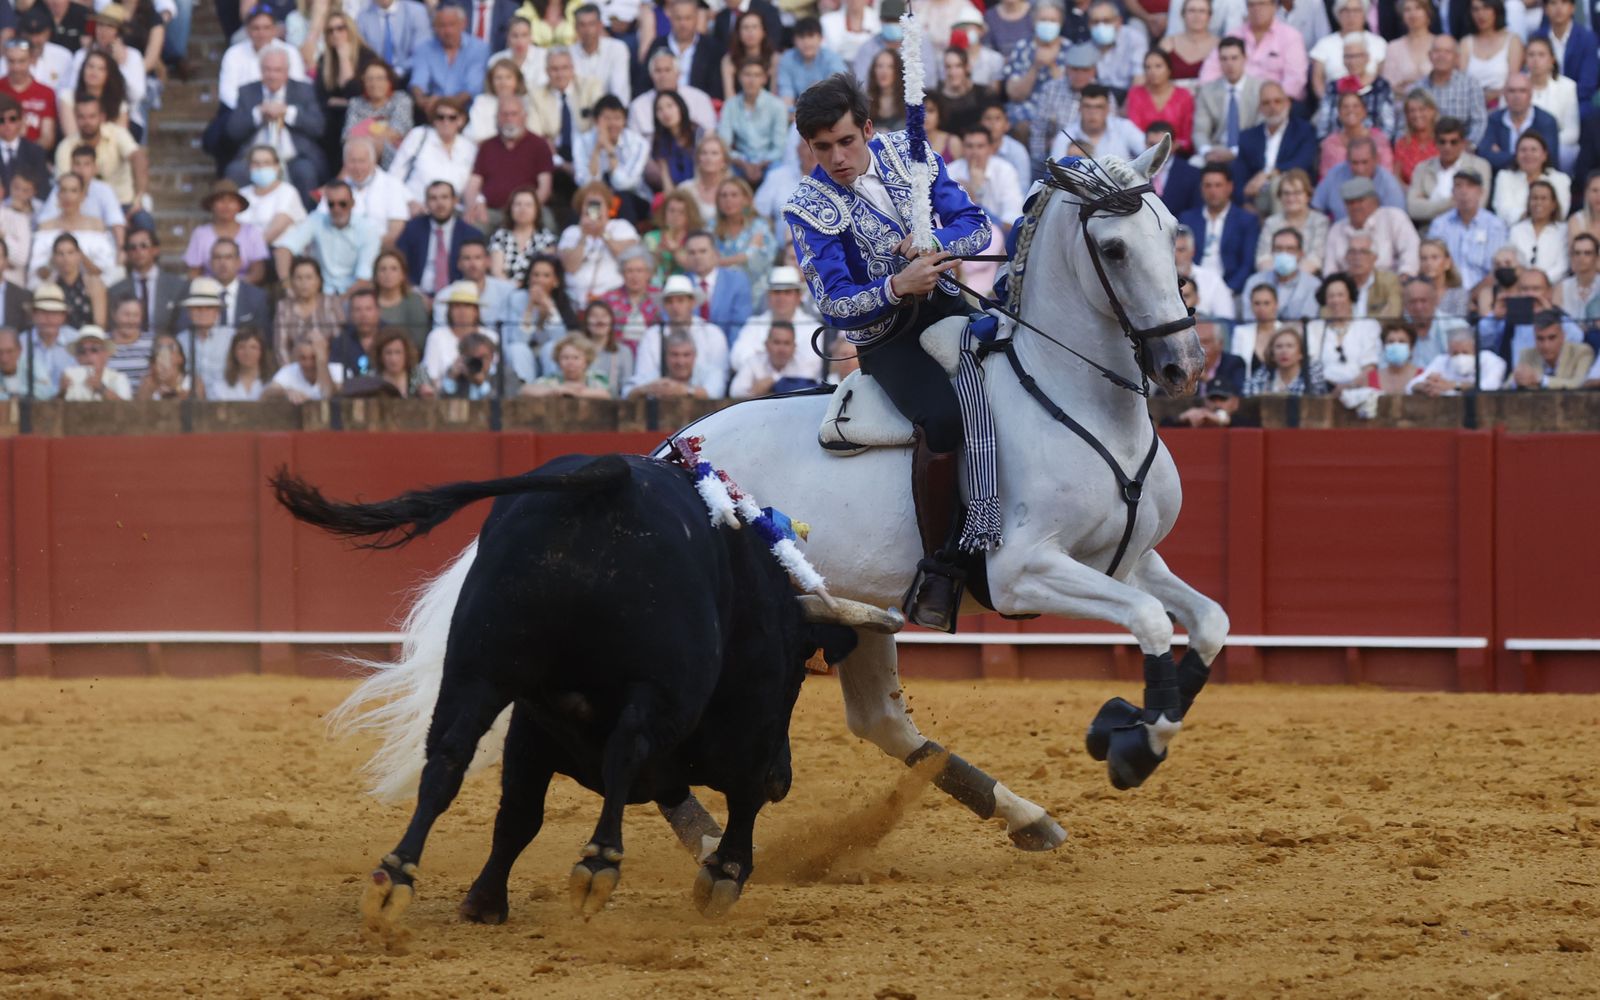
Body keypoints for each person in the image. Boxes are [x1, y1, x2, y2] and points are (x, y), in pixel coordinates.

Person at [786, 73, 991, 630]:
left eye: (846, 142)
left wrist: (937, 246)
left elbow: (976, 227)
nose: (837, 157)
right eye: (822, 147)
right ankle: (944, 564)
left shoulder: (911, 153)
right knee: (944, 418)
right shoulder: (807, 206)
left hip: (953, 308)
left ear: (869, 130)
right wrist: (898, 286)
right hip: (890, 339)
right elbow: (834, 303)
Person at [224, 49, 326, 206]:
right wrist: (258, 114)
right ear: (261, 70)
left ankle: (306, 222)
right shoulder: (247, 91)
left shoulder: (304, 90)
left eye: (277, 70)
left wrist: (287, 112)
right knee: (235, 171)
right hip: (254, 158)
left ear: (286, 71)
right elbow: (233, 131)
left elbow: (318, 127)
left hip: (293, 157)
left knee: (305, 172)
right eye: (267, 70)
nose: (272, 75)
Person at [271, 180, 383, 294]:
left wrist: (338, 304)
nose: (336, 209)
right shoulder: (316, 220)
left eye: (342, 204)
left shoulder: (368, 229)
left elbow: (363, 279)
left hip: (353, 295)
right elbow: (283, 250)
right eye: (331, 204)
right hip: (318, 293)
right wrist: (287, 287)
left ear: (352, 204)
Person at [462, 95, 555, 230]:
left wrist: (528, 209)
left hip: (527, 209)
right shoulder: (487, 146)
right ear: (497, 118)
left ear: (524, 117)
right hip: (491, 211)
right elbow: (473, 184)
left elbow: (544, 188)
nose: (509, 119)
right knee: (471, 226)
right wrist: (474, 205)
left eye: (514, 114)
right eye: (504, 114)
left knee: (547, 222)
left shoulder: (539, 145)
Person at [627, 274, 728, 398]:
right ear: (664, 305)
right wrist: (654, 387)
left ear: (691, 302)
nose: (675, 307)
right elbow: (642, 377)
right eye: (670, 302)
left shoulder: (713, 333)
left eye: (681, 300)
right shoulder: (651, 335)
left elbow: (718, 381)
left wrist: (684, 390)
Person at [305, 8, 380, 165]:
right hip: (333, 122)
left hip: (364, 120)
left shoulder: (367, 57)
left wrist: (344, 58)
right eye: (330, 30)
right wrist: (344, 102)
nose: (335, 34)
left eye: (340, 28)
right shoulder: (325, 60)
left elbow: (355, 95)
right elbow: (322, 99)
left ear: (350, 30)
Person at [1200, 0, 1308, 102]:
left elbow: (1295, 79)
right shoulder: (1234, 35)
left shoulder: (1290, 36)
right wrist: (1215, 97)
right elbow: (1211, 70)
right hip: (1237, 101)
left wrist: (1272, 100)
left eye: (1262, 4)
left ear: (1274, 7)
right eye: (1252, 5)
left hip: (1277, 102)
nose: (1256, 9)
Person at [1232, 81, 1315, 214]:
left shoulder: (1303, 130)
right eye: (1266, 103)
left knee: (1278, 183)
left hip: (1291, 192)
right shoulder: (1247, 137)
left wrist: (1269, 175)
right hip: (1257, 197)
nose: (1272, 107)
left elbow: (1302, 162)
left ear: (1287, 103)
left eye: (1277, 101)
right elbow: (1239, 176)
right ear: (1260, 108)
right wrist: (1245, 203)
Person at [395, 180, 485, 298]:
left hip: (457, 296)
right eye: (433, 198)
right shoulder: (413, 228)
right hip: (417, 295)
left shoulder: (471, 234)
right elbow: (399, 263)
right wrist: (414, 293)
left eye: (444, 197)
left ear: (455, 201)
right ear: (426, 203)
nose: (439, 203)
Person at [1179, 163, 1260, 293]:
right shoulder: (1187, 219)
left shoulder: (1246, 220)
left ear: (1229, 187)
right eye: (1208, 185)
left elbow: (1247, 264)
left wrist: (1227, 291)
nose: (1213, 191)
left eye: (1218, 185)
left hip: (1230, 288)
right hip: (1191, 288)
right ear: (1201, 188)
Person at [389, 98, 478, 212]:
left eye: (452, 118)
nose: (446, 122)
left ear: (461, 120)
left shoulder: (469, 147)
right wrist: (409, 201)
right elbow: (395, 174)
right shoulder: (419, 136)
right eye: (441, 117)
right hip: (416, 209)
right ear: (434, 120)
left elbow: (474, 183)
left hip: (453, 213)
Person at [499, 252, 577, 379]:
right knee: (517, 349)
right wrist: (529, 308)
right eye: (535, 275)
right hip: (527, 354)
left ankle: (552, 388)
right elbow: (518, 339)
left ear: (556, 281)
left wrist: (549, 307)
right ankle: (525, 391)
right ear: (529, 278)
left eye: (546, 276)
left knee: (551, 348)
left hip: (549, 356)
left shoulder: (566, 301)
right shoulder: (516, 298)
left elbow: (561, 341)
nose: (539, 280)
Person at [1324, 176, 1420, 277]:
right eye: (1350, 203)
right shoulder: (1337, 229)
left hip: (1391, 285)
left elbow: (1411, 254)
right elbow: (1330, 270)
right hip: (1350, 288)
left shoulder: (1394, 217)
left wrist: (1404, 279)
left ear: (1374, 200)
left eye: (1361, 201)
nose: (1356, 207)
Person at [1427, 170, 1505, 289]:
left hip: (1482, 292)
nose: (1464, 191)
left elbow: (1496, 270)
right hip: (1446, 290)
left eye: (1470, 186)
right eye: (1458, 186)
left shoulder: (1495, 225)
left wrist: (1473, 295)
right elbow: (1431, 264)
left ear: (1480, 192)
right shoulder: (1440, 224)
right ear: (1453, 193)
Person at [410, 4, 489, 122]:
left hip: (466, 113)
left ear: (463, 24)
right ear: (434, 27)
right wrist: (421, 100)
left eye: (452, 24)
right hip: (431, 113)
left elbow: (472, 89)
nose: (447, 31)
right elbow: (418, 82)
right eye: (441, 26)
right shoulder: (424, 48)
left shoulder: (479, 49)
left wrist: (442, 104)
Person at [574, 94, 649, 218]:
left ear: (624, 120)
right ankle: (593, 232)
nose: (613, 123)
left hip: (633, 198)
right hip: (596, 197)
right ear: (596, 121)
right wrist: (597, 149)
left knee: (622, 198)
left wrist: (609, 149)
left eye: (617, 118)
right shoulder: (582, 141)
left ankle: (625, 235)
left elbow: (625, 184)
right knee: (591, 200)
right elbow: (586, 183)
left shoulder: (639, 143)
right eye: (607, 118)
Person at [1406, 116, 1490, 225]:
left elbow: (1478, 207)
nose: (1447, 147)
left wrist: (1429, 204)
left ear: (1463, 143)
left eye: (1453, 142)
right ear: (1435, 143)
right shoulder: (1422, 168)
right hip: (1428, 232)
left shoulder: (1479, 166)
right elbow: (1413, 209)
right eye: (1442, 142)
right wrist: (1451, 203)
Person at [1306, 272, 1381, 388]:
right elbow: (1312, 366)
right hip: (1323, 391)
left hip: (1360, 389)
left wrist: (1349, 387)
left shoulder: (1368, 326)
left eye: (1341, 295)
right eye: (1331, 296)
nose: (1336, 300)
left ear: (1350, 297)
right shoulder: (1314, 327)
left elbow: (1370, 366)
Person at [718, 57, 785, 188]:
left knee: (779, 171)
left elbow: (779, 147)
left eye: (757, 75)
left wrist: (759, 164)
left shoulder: (777, 106)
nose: (751, 80)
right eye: (747, 75)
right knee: (721, 167)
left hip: (769, 162)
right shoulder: (730, 106)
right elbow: (724, 145)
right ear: (740, 77)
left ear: (764, 79)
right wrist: (744, 164)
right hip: (740, 162)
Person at [1315, 35, 1395, 144]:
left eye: (1357, 56)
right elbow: (1323, 126)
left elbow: (1388, 127)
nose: (1352, 61)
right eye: (1348, 56)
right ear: (1343, 59)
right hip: (1338, 146)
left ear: (1367, 58)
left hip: (1373, 148)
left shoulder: (1381, 86)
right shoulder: (1333, 87)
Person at [184, 180, 268, 283]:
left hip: (242, 290)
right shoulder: (200, 234)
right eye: (220, 200)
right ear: (212, 205)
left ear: (239, 205)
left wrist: (232, 286)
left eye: (231, 200)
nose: (226, 205)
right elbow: (193, 273)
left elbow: (258, 273)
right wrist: (211, 287)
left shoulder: (252, 232)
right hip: (208, 291)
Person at [1193, 38, 1259, 165]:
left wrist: (1235, 152)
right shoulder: (1207, 91)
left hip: (1249, 152)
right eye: (1224, 59)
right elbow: (1200, 131)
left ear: (1244, 58)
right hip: (1215, 151)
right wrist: (1207, 152)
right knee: (1193, 165)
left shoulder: (1259, 89)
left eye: (1234, 58)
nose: (1229, 63)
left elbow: (1260, 130)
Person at [1478, 74, 1559, 177]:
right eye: (1512, 91)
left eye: (1522, 91)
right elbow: (1486, 155)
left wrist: (1502, 155)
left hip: (1538, 179)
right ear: (1504, 94)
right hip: (1502, 178)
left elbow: (1549, 158)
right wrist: (1529, 157)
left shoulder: (1546, 121)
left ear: (1530, 94)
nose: (1517, 96)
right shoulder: (1494, 120)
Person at [627, 50, 717, 140]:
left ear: (678, 73)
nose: (663, 75)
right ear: (651, 75)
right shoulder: (638, 106)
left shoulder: (700, 99)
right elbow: (634, 145)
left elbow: (709, 135)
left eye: (667, 70)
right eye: (658, 71)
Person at [949, 124, 1023, 233]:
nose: (974, 152)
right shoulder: (951, 171)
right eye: (969, 146)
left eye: (980, 146)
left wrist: (977, 195)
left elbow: (1012, 222)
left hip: (999, 240)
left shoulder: (1005, 171)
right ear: (963, 148)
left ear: (990, 149)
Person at [711, 176, 774, 304]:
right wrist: (744, 256)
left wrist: (720, 261)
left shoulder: (759, 226)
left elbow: (761, 260)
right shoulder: (711, 228)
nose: (728, 200)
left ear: (745, 199)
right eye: (723, 196)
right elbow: (707, 263)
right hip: (722, 291)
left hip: (756, 294)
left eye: (734, 195)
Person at [1417, 34, 1487, 149]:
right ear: (1429, 56)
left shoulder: (1470, 85)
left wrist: (1469, 145)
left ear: (1456, 57)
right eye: (1437, 51)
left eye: (1447, 52)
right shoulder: (1418, 88)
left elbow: (1479, 122)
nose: (1441, 56)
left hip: (1462, 150)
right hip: (1424, 150)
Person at [1254, 167, 1327, 275]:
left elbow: (1315, 258)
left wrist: (1292, 279)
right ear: (1280, 197)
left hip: (1308, 281)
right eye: (1286, 193)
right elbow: (1262, 258)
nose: (1291, 198)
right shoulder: (1271, 223)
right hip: (1274, 280)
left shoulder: (1319, 221)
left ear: (1308, 196)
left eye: (1297, 193)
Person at [273, 256, 344, 365]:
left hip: (329, 366)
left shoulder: (331, 303)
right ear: (292, 281)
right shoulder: (283, 307)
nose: (304, 283)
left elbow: (340, 341)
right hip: (295, 369)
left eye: (309, 277)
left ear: (318, 281)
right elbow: (280, 347)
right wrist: (289, 373)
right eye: (299, 278)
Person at [1491, 133, 1571, 227]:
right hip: (1512, 232)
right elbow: (1503, 211)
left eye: (1534, 150)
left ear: (1544, 155)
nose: (1528, 154)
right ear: (1516, 155)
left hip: (1551, 232)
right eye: (1523, 150)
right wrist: (1537, 215)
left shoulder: (1560, 179)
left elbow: (1561, 212)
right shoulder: (1504, 177)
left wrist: (1532, 216)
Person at [1525, 38, 1579, 175]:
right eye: (1531, 55)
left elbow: (1572, 132)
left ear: (1552, 59)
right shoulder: (1516, 84)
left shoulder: (1567, 87)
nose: (1536, 60)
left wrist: (1543, 145)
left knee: (1567, 152)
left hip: (1555, 145)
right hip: (1522, 146)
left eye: (1541, 55)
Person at [1309, 2, 1385, 100]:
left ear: (1365, 13)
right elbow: (1317, 79)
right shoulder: (1324, 44)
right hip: (1333, 100)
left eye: (1356, 11)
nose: (1351, 15)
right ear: (1337, 14)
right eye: (1345, 11)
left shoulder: (1379, 43)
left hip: (1373, 101)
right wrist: (1328, 102)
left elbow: (1383, 77)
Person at [1528, 0, 1598, 107]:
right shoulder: (1537, 38)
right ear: (1545, 9)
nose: (1559, 8)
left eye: (1564, 2)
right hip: (1542, 100)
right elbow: (1531, 75)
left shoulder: (1587, 38)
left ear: (1573, 8)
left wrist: (1562, 100)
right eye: (1553, 3)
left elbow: (1588, 83)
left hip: (1577, 101)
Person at [1505, 309, 1594, 389]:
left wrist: (1540, 380)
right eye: (1540, 339)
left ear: (1563, 336)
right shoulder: (1527, 354)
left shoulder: (1582, 352)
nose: (1546, 345)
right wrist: (1517, 382)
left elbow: (1579, 384)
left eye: (1552, 338)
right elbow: (1506, 386)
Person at [236, 145, 306, 245]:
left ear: (277, 166)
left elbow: (276, 229)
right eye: (256, 163)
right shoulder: (241, 193)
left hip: (276, 252)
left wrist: (250, 252)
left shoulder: (287, 192)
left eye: (267, 163)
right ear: (249, 167)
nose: (261, 167)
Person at [488, 186, 556, 286]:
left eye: (528, 205)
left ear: (536, 210)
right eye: (518, 204)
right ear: (510, 208)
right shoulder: (500, 235)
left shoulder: (546, 239)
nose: (522, 209)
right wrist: (513, 288)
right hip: (503, 289)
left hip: (535, 290)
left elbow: (545, 273)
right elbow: (496, 271)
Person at [1243, 229, 1319, 319]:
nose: (1284, 254)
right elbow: (1249, 320)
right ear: (1271, 252)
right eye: (1278, 249)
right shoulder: (1254, 282)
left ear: (1300, 254)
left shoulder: (1313, 285)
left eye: (1290, 249)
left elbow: (1307, 322)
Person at [1457, 0, 1520, 108]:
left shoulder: (1512, 41)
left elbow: (1513, 81)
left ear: (1496, 10)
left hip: (1503, 106)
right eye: (1475, 9)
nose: (1480, 14)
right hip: (1471, 106)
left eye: (1486, 8)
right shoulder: (1465, 43)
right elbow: (1461, 82)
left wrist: (1491, 95)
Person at [1408, 324, 1506, 393]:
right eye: (1455, 353)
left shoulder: (1491, 361)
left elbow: (1489, 387)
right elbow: (1411, 385)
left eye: (1465, 352)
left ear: (1475, 351)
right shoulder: (1442, 360)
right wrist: (1427, 386)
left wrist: (1454, 386)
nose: (1460, 356)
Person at [174, 276, 230, 395]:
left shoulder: (231, 337)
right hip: (190, 402)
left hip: (226, 402)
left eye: (209, 308)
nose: (203, 312)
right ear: (189, 312)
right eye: (198, 308)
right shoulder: (180, 340)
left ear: (217, 312)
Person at [355, 0, 432, 82]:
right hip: (378, 78)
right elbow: (364, 52)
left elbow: (422, 51)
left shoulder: (417, 11)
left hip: (410, 73)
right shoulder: (362, 17)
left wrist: (398, 71)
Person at [1509, 181, 1568, 284]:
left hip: (1553, 288)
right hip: (1521, 286)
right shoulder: (1517, 230)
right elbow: (1512, 262)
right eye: (1534, 198)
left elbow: (1563, 266)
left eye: (1544, 198)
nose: (1538, 203)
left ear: (1553, 204)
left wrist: (1540, 281)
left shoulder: (1564, 231)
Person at [1381, 0, 1444, 97]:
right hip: (1402, 106)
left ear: (1427, 13)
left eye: (1418, 8)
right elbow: (1389, 84)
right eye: (1407, 10)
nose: (1413, 14)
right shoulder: (1393, 47)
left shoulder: (1440, 44)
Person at [42, 233, 105, 330]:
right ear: (54, 257)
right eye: (60, 254)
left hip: (87, 339)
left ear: (79, 255)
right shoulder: (49, 286)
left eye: (70, 253)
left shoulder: (93, 284)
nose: (66, 259)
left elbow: (100, 323)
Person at [569, 4, 630, 103]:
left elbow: (619, 91)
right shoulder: (569, 53)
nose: (587, 30)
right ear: (575, 28)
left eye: (591, 24)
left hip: (609, 112)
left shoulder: (617, 48)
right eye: (582, 25)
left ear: (600, 25)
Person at [521, 332, 610, 398]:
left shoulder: (596, 377)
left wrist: (573, 392)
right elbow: (525, 390)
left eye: (576, 358)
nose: (570, 362)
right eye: (565, 358)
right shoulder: (552, 379)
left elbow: (605, 394)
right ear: (558, 361)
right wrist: (553, 391)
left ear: (586, 361)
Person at [372, 248, 431, 346]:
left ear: (402, 275)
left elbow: (419, 341)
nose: (388, 274)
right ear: (376, 275)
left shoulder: (415, 302)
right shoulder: (367, 301)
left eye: (394, 269)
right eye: (383, 269)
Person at [1244, 326, 1326, 395]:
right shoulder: (1263, 374)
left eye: (1290, 346)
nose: (1284, 351)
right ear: (1272, 354)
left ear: (1301, 353)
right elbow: (1248, 396)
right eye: (1279, 347)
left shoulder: (1312, 375)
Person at [56, 324, 131, 400]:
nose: (88, 354)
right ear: (77, 358)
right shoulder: (69, 377)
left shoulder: (118, 378)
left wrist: (102, 389)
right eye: (82, 351)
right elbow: (49, 409)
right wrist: (61, 393)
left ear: (105, 355)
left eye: (94, 350)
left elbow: (129, 410)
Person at [466, 58, 530, 145]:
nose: (503, 82)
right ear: (491, 81)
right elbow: (477, 135)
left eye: (508, 77)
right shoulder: (482, 102)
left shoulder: (526, 101)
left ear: (517, 80)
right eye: (498, 78)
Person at [575, 299, 631, 392]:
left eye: (604, 316)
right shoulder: (576, 349)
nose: (599, 320)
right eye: (594, 316)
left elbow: (627, 386)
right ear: (586, 322)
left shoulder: (623, 352)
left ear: (611, 321)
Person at [263, 331, 337, 401]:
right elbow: (266, 394)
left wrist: (322, 361)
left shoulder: (336, 370)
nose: (308, 364)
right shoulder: (289, 371)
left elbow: (328, 395)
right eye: (303, 358)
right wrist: (286, 392)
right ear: (297, 357)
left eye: (313, 358)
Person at [1230, 283, 1287, 373]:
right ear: (1251, 305)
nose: (1261, 308)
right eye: (1257, 303)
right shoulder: (1241, 333)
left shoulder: (1287, 332)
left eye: (1266, 303)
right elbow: (1236, 365)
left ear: (1276, 304)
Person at [209, 325, 276, 400]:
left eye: (253, 347)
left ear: (262, 352)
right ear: (234, 352)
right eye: (241, 347)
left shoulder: (272, 384)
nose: (247, 353)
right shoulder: (220, 386)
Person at [1159, 0, 1219, 82]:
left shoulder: (1220, 46)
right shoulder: (1167, 44)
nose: (1197, 16)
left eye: (1202, 11)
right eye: (1191, 10)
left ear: (1209, 16)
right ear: (1183, 15)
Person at [368, 327, 434, 397]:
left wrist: (427, 394)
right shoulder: (372, 378)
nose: (393, 359)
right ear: (380, 356)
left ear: (406, 354)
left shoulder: (418, 374)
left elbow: (431, 397)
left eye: (398, 352)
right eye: (388, 353)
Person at [104, 298, 152, 390]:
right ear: (114, 315)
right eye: (126, 315)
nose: (131, 320)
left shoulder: (151, 342)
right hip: (109, 401)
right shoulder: (102, 343)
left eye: (136, 315)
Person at [0, 327, 55, 399]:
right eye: (0, 352)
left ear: (19, 350)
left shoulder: (31, 364)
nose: (4, 358)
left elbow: (47, 389)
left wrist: (9, 393)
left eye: (10, 351)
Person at [135, 332, 193, 399]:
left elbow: (196, 403)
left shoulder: (192, 382)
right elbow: (139, 407)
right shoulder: (148, 383)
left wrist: (173, 392)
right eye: (159, 348)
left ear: (180, 358)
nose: (165, 353)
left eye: (170, 348)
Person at [1368, 321, 1421, 393]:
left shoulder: (1422, 377)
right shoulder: (1370, 378)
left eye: (1402, 341)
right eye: (1391, 342)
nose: (1396, 345)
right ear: (1384, 347)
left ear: (1411, 347)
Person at [1560, 233, 1600, 317]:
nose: (1581, 257)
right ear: (1572, 257)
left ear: (1597, 257)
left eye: (1587, 253)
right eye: (1577, 253)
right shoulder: (1561, 288)